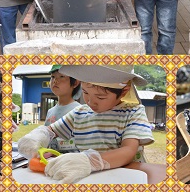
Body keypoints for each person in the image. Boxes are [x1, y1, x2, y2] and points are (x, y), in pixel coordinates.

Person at [17, 65, 154, 183]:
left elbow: (128, 151)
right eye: (86, 92)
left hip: (126, 177)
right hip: (89, 179)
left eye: (100, 97)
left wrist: (90, 161)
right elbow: (52, 130)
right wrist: (39, 135)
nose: (90, 101)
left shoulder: (133, 112)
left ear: (123, 92)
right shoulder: (79, 113)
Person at [45, 64, 81, 153]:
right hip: (49, 159)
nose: (55, 81)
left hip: (70, 161)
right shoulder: (50, 111)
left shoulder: (79, 110)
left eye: (62, 76)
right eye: (53, 77)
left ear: (75, 83)